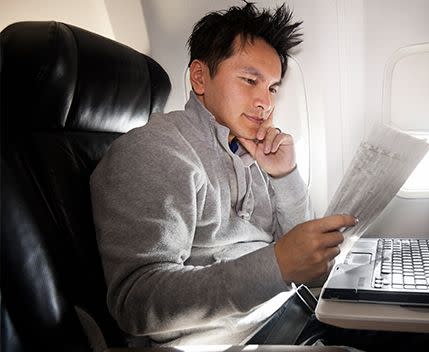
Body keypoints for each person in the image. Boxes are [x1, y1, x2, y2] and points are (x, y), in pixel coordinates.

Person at [90, 2, 356, 346]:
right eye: (250, 80)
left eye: (273, 88)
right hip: (233, 340)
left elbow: (300, 251)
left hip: (290, 311)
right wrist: (276, 267)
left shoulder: (249, 148)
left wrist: (284, 174)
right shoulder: (156, 150)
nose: (266, 103)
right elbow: (137, 303)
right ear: (200, 77)